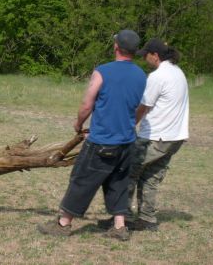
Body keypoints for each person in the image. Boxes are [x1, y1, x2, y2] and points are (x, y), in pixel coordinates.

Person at [37, 30, 146, 241]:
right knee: (119, 183)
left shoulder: (102, 71)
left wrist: (78, 124)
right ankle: (119, 227)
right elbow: (143, 107)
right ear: (135, 51)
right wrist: (131, 123)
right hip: (127, 142)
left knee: (82, 180)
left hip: (102, 141)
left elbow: (87, 104)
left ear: (116, 47)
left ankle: (63, 223)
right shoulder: (142, 75)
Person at [126, 38, 189, 231]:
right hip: (175, 137)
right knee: (151, 176)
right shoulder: (178, 72)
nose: (144, 58)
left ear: (155, 55)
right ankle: (147, 218)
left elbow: (143, 107)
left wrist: (129, 126)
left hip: (156, 137)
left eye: (146, 55)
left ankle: (123, 219)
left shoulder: (157, 76)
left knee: (128, 171)